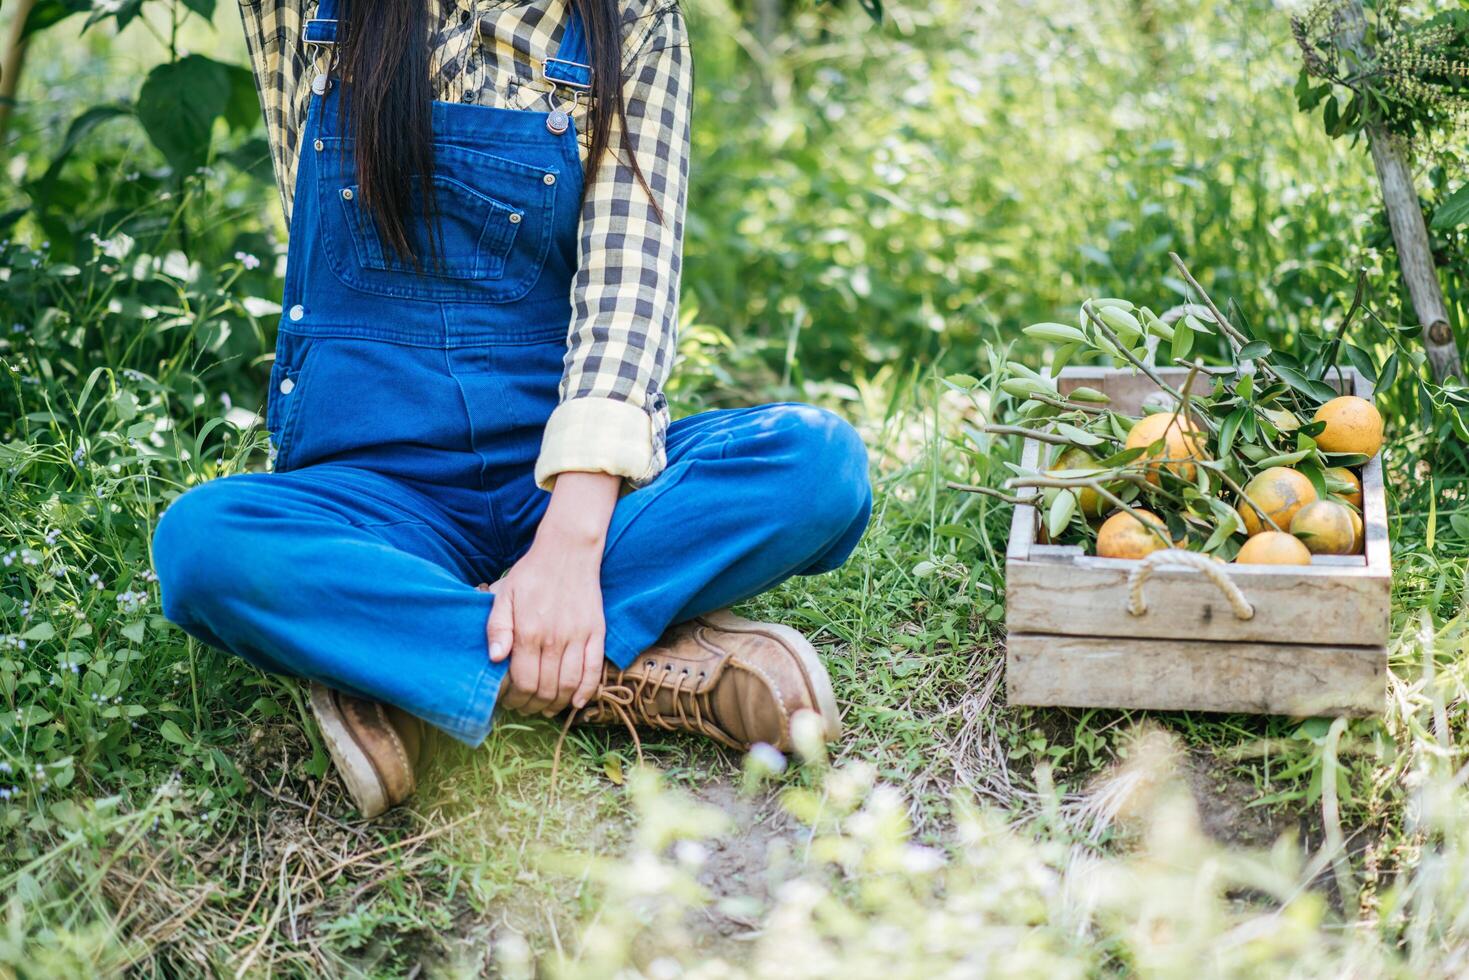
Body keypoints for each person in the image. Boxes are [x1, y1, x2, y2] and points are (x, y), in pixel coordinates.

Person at [153, 0, 872, 818]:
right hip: (379, 502)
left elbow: (627, 298)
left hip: (569, 492)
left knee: (818, 463)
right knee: (203, 545)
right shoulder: (310, 15)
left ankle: (411, 668)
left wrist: (569, 546)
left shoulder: (632, 21)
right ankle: (623, 674)